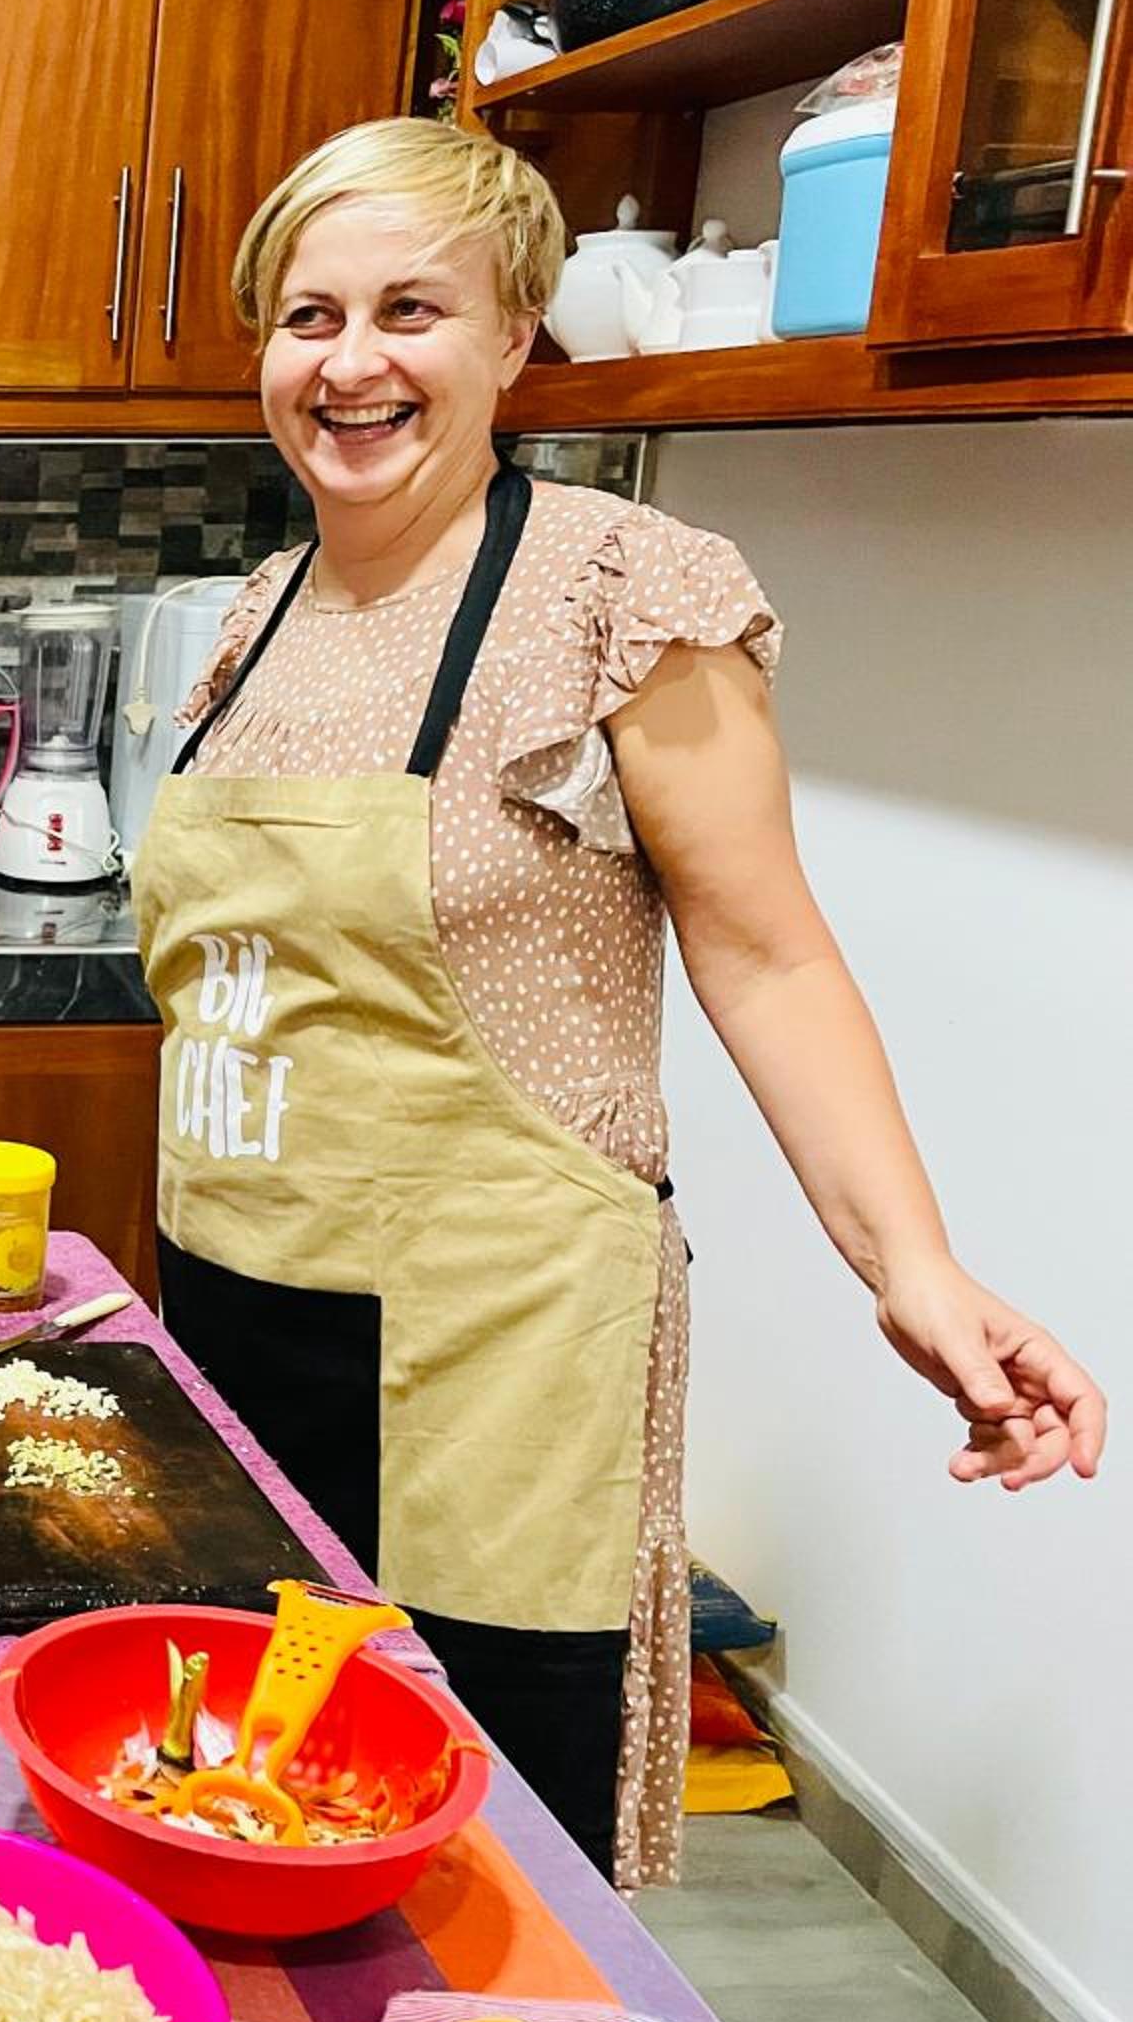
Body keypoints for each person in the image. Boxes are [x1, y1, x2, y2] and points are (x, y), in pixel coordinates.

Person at [137, 118, 1102, 1889]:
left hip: (491, 1348)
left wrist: (913, 1266)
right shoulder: (261, 611)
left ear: (517, 333)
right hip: (237, 1298)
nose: (348, 365)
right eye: (308, 316)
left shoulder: (616, 590)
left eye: (410, 310)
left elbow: (768, 950)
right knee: (233, 1797)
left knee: (472, 1848)